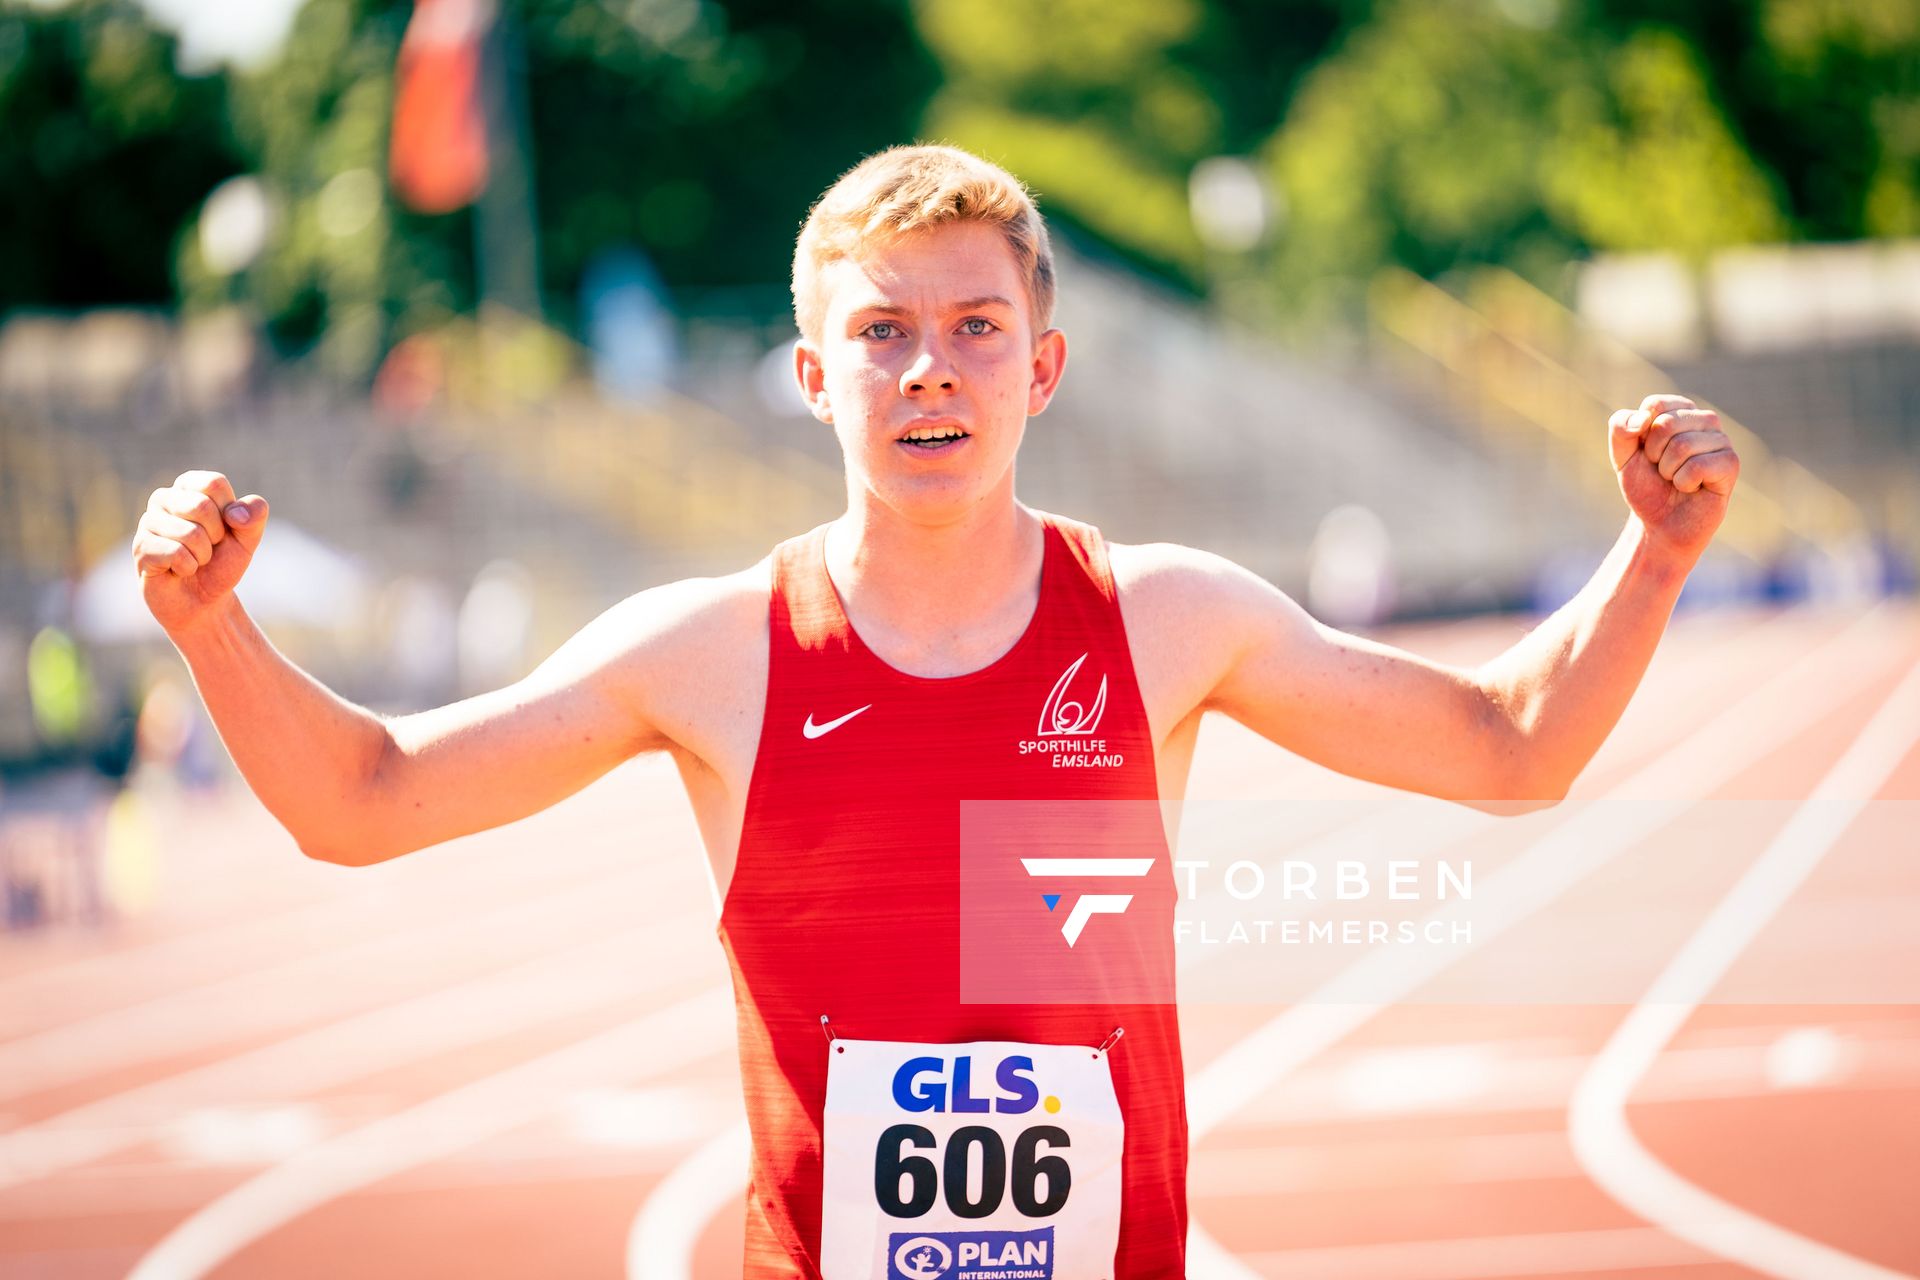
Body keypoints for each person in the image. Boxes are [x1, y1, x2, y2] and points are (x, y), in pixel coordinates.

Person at [130, 145, 1741, 1278]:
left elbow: (1514, 748)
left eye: (974, 331)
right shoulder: (711, 652)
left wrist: (1657, 556)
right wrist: (212, 628)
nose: (928, 374)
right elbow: (362, 799)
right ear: (815, 379)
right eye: (881, 335)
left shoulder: (1166, 622)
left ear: (1041, 370)